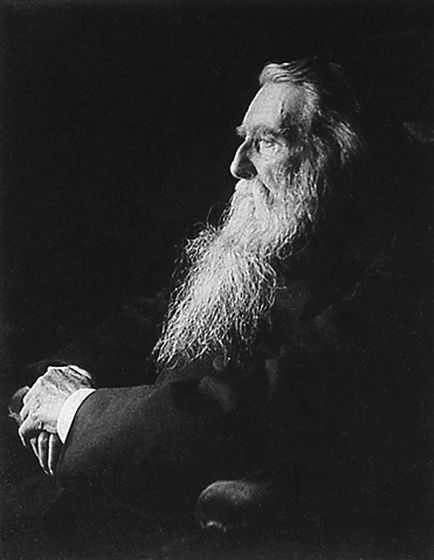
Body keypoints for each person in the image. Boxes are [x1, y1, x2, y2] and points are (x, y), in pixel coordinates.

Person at [12, 57, 432, 535]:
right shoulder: (277, 232)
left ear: (337, 155)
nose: (237, 165)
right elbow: (155, 319)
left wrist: (73, 411)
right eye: (242, 139)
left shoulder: (397, 277)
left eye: (267, 142)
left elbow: (248, 411)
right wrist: (63, 374)